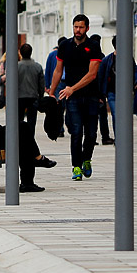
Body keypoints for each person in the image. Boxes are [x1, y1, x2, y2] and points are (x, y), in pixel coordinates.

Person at [48, 14, 103, 181]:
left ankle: (87, 159)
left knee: (92, 134)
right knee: (76, 131)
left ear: (87, 28)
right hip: (72, 97)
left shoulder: (93, 46)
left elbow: (92, 74)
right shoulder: (65, 46)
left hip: (91, 95)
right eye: (75, 27)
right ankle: (76, 166)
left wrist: (72, 88)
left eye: (81, 27)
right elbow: (58, 70)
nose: (78, 30)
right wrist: (52, 91)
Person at [91, 35, 115, 146]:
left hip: (93, 90)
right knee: (101, 116)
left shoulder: (98, 57)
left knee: (92, 116)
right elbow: (101, 76)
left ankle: (92, 137)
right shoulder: (102, 57)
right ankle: (104, 137)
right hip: (97, 90)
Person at [17, 44, 45, 131]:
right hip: (33, 96)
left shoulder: (16, 66)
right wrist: (41, 96)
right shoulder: (37, 67)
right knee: (32, 122)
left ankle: (19, 138)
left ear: (20, 53)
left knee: (18, 120)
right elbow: (41, 84)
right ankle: (30, 139)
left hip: (19, 96)